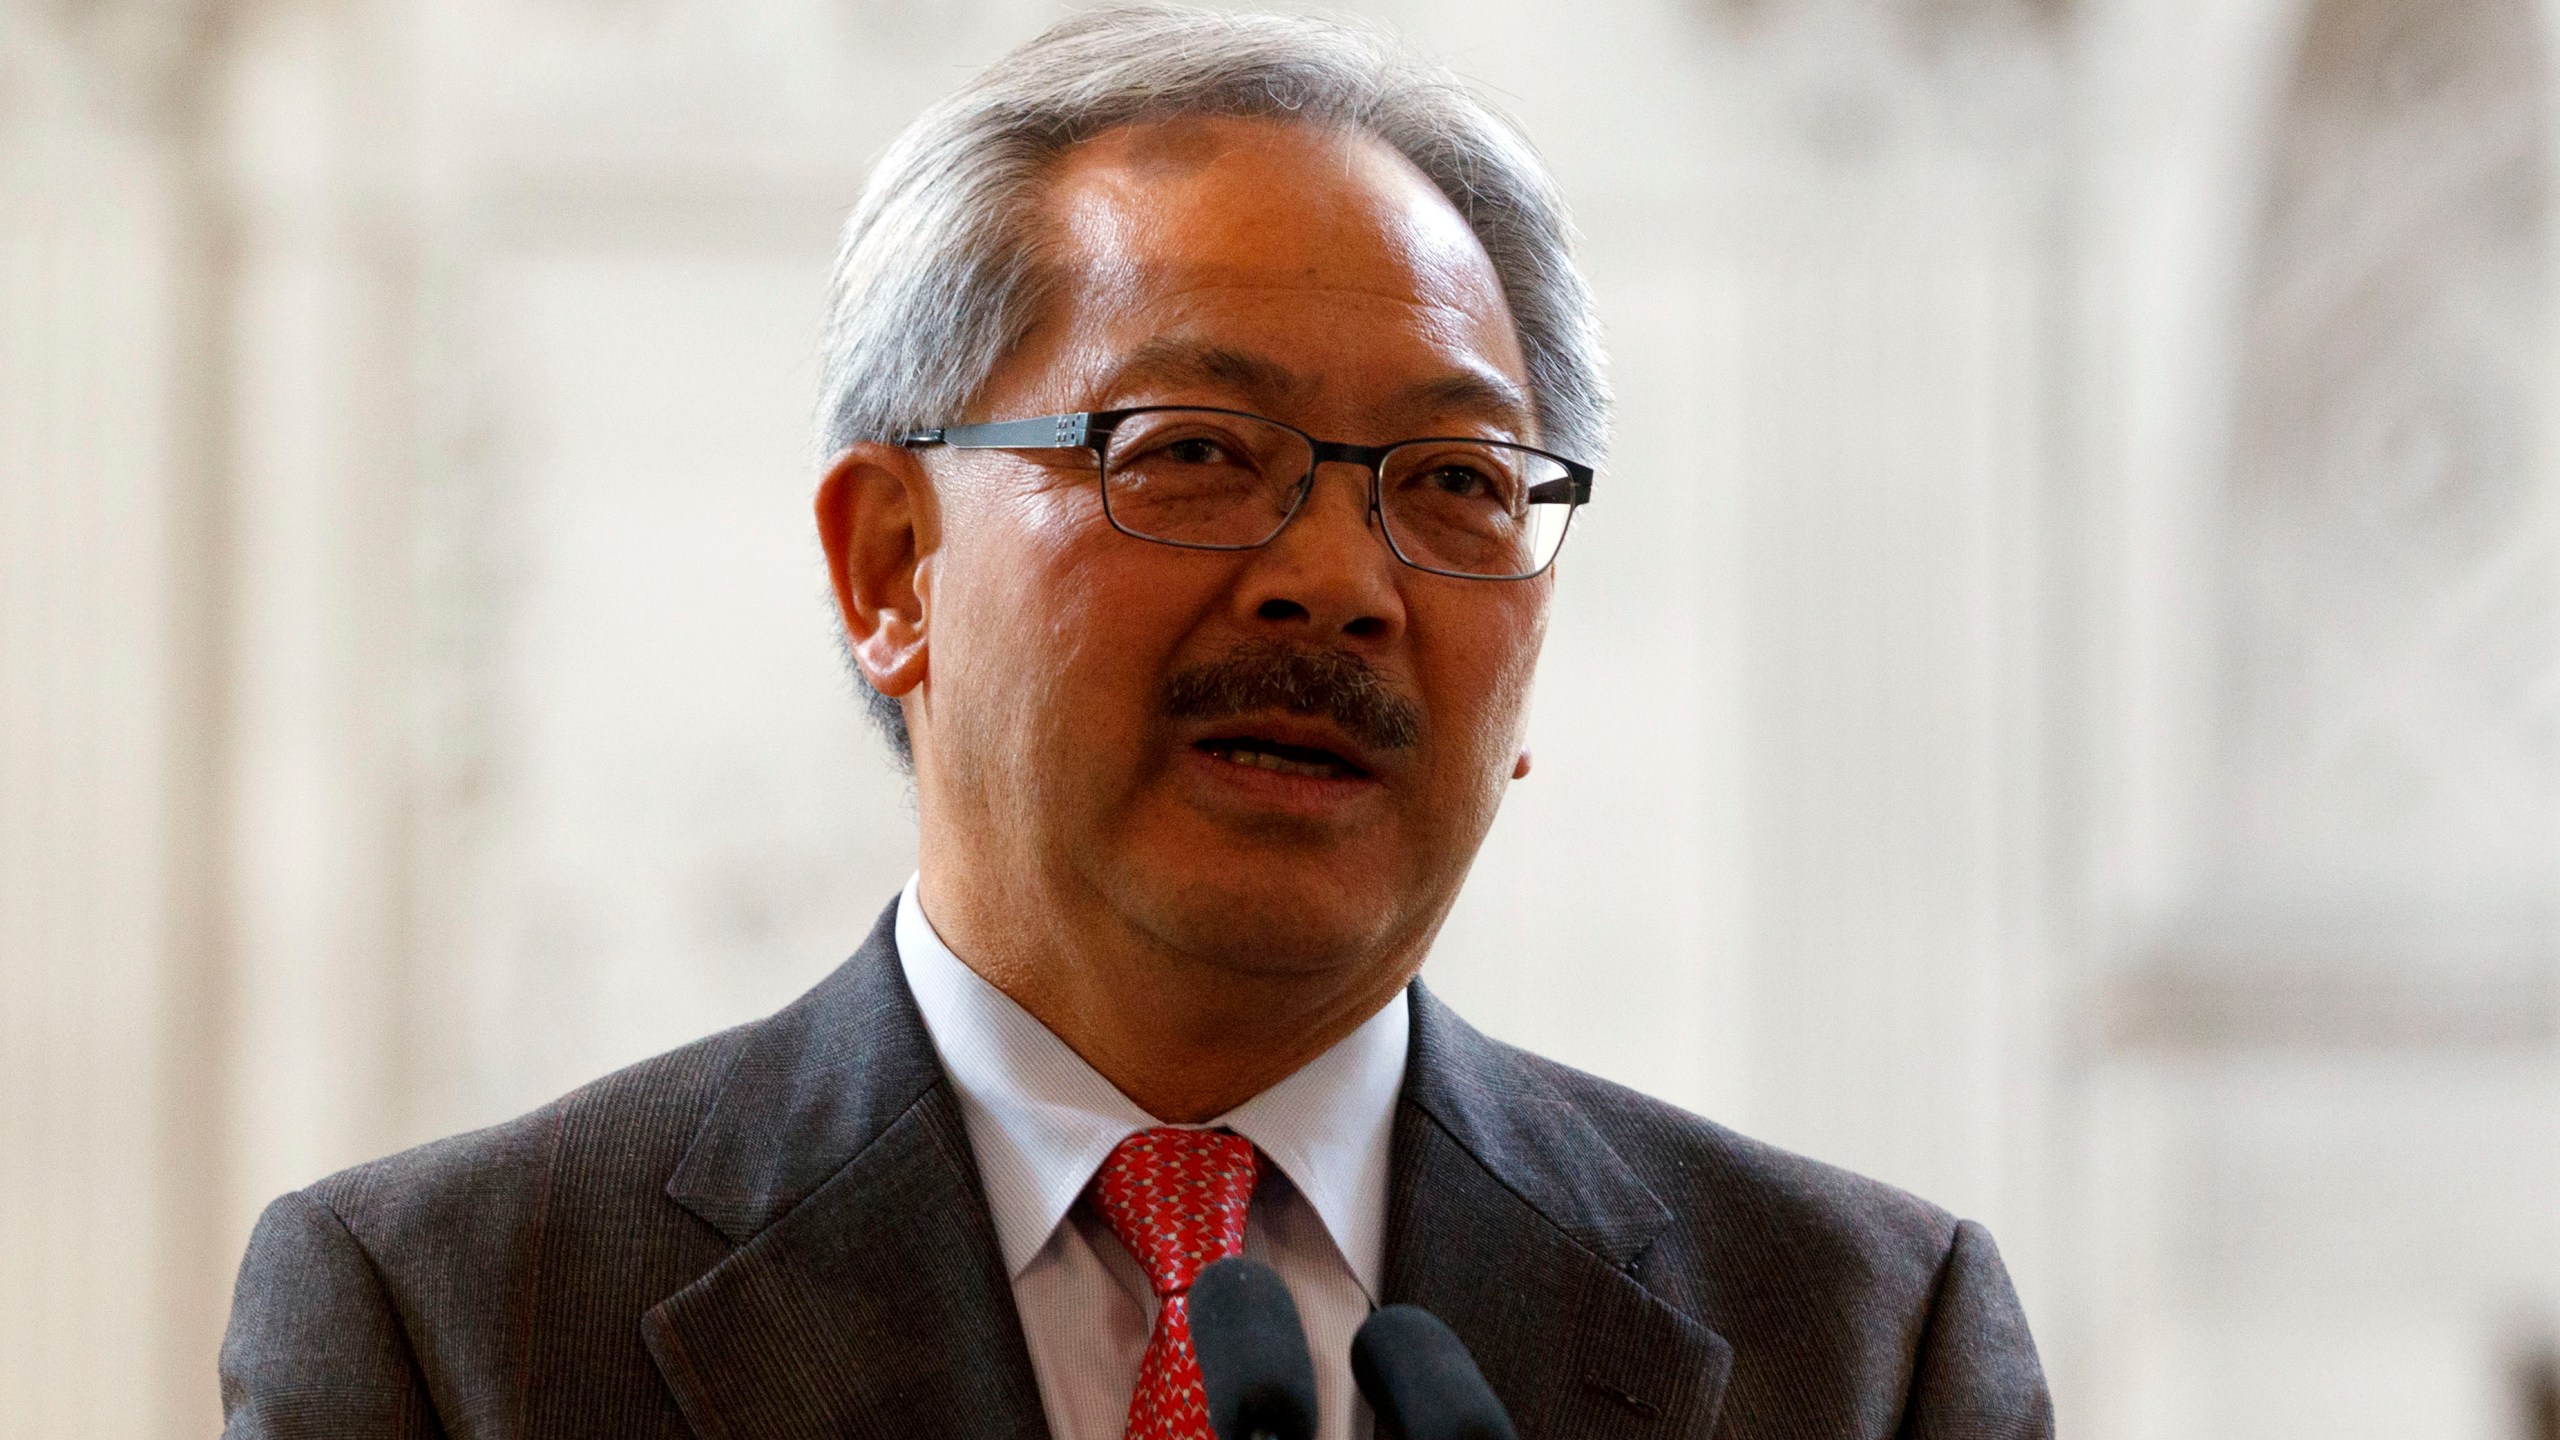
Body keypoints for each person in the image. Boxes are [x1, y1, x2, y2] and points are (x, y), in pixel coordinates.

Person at [218, 8, 2054, 1439]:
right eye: (1193, 454)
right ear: (891, 568)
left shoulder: (1861, 1351)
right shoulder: (455, 1326)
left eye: (1456, 486)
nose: (1341, 583)